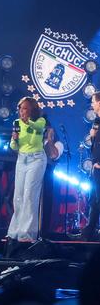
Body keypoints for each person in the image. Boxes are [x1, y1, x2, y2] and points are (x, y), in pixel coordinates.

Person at [7, 96, 47, 243]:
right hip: (22, 159)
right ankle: (14, 232)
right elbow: (14, 147)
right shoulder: (16, 123)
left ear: (31, 109)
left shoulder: (40, 121)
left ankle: (27, 234)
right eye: (20, 108)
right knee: (18, 196)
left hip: (36, 159)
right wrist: (14, 139)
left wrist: (28, 121)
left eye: (24, 108)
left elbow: (39, 129)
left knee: (30, 196)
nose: (21, 111)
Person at [40, 117, 63, 237]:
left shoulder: (58, 144)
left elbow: (53, 155)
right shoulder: (34, 141)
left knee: (45, 207)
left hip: (46, 180)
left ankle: (44, 233)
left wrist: (49, 139)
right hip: (33, 178)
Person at [82, 92, 100, 241]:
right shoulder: (97, 121)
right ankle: (88, 233)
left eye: (94, 101)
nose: (92, 105)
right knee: (94, 199)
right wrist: (93, 136)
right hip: (96, 167)